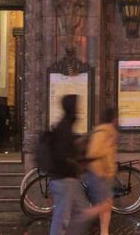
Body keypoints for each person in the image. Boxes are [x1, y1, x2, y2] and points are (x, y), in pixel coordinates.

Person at [48, 94, 90, 235]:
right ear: (72, 107)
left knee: (82, 211)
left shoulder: (66, 125)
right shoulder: (64, 126)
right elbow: (64, 154)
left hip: (70, 179)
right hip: (64, 179)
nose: (80, 107)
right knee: (62, 218)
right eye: (77, 104)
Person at [83, 107, 118, 235]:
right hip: (99, 174)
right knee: (106, 205)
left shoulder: (108, 131)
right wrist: (108, 146)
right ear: (113, 118)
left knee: (106, 205)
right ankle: (82, 215)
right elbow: (94, 152)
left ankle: (104, 231)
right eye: (116, 117)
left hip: (104, 174)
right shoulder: (103, 132)